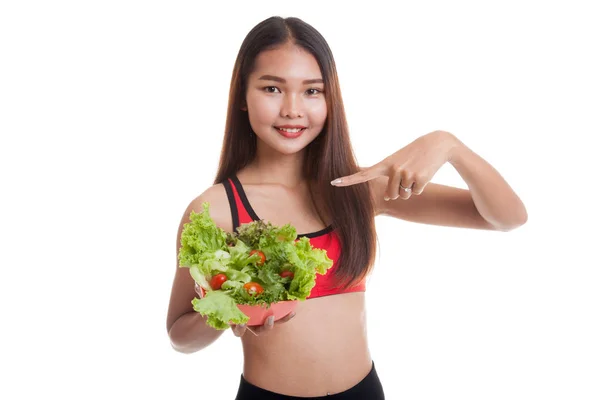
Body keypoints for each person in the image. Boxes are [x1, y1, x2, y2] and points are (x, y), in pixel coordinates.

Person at [166, 16, 528, 399]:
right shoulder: (215, 210)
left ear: (329, 98)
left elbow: (508, 218)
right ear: (242, 95)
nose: (292, 109)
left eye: (312, 91)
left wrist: (449, 145)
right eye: (272, 88)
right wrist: (225, 310)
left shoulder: (358, 189)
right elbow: (179, 337)